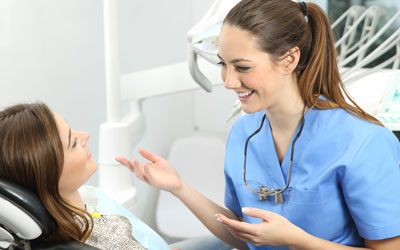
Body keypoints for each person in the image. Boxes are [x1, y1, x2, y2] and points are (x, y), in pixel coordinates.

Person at [116, 0, 400, 249]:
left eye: (242, 67)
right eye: (222, 65)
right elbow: (247, 236)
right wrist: (179, 187)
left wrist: (297, 240)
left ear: (289, 59)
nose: (228, 82)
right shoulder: (244, 132)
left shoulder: (364, 142)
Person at [0, 103, 173, 250]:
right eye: (73, 143)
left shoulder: (42, 235)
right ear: (49, 176)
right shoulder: (110, 238)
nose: (85, 135)